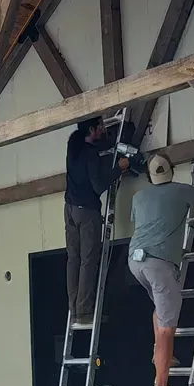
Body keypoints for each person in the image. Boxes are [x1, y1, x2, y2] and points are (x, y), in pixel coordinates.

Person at [128, 152, 194, 386]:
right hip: (159, 264)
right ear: (172, 169)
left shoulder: (139, 197)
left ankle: (161, 354)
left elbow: (142, 223)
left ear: (149, 175)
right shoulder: (183, 191)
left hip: (136, 261)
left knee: (160, 312)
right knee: (169, 329)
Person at [65, 116, 130, 326]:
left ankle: (74, 308)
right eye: (100, 127)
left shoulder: (73, 144)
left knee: (73, 259)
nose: (103, 129)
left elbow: (94, 148)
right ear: (91, 129)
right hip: (87, 211)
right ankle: (84, 311)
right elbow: (98, 185)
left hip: (70, 209)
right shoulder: (91, 153)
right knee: (88, 260)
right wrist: (119, 167)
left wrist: (109, 142)